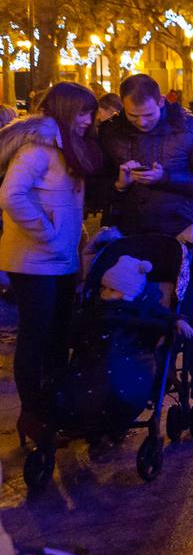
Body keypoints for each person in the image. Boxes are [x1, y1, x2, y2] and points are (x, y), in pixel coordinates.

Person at [99, 75, 193, 425]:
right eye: (133, 117)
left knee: (190, 315)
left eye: (147, 115)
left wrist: (166, 178)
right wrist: (120, 183)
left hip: (177, 232)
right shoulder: (112, 132)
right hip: (130, 235)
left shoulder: (189, 128)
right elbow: (97, 184)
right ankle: (129, 385)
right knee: (128, 314)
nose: (141, 123)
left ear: (160, 103)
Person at [0, 84, 101, 456]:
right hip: (33, 260)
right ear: (64, 110)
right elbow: (12, 195)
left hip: (59, 260)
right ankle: (32, 412)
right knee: (36, 334)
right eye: (82, 113)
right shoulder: (37, 148)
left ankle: (54, 406)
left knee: (59, 333)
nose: (88, 121)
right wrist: (49, 233)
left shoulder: (64, 146)